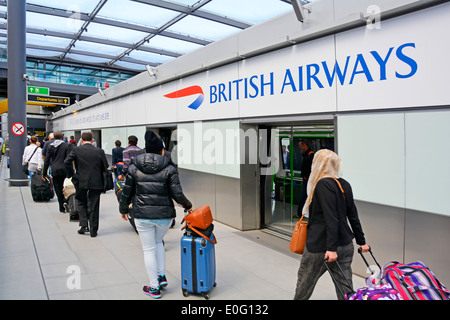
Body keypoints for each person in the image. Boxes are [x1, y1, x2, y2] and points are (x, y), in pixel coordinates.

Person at [119, 130, 192, 299]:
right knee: (158, 242)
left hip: (142, 215)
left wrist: (123, 210)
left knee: (148, 249)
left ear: (145, 150)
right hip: (164, 216)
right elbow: (177, 194)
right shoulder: (170, 168)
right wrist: (187, 206)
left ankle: (154, 287)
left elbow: (127, 192)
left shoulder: (133, 168)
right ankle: (161, 276)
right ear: (161, 151)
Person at [293, 149, 370, 300]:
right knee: (345, 286)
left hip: (322, 247)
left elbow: (331, 218)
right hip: (346, 245)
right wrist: (362, 242)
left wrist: (331, 248)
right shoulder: (344, 184)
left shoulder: (322, 185)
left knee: (305, 282)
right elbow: (353, 215)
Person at [64, 131, 109, 237]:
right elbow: (105, 166)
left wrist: (72, 174)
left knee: (81, 202)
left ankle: (84, 225)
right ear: (92, 140)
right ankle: (94, 230)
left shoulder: (76, 150)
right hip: (96, 182)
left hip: (80, 180)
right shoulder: (100, 151)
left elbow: (67, 161)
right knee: (94, 205)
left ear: (82, 140)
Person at [43, 131, 73, 213]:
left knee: (57, 188)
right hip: (65, 169)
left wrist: (44, 173)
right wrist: (72, 172)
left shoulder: (50, 146)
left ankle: (61, 206)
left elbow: (46, 160)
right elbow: (69, 160)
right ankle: (66, 201)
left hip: (55, 169)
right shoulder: (67, 145)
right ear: (62, 136)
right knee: (66, 186)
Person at [294, 139, 314, 218]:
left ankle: (301, 213)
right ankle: (301, 213)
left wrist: (307, 176)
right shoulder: (305, 154)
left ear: (305, 145)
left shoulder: (311, 155)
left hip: (308, 179)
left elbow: (310, 168)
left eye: (300, 145)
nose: (299, 147)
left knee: (305, 196)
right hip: (305, 178)